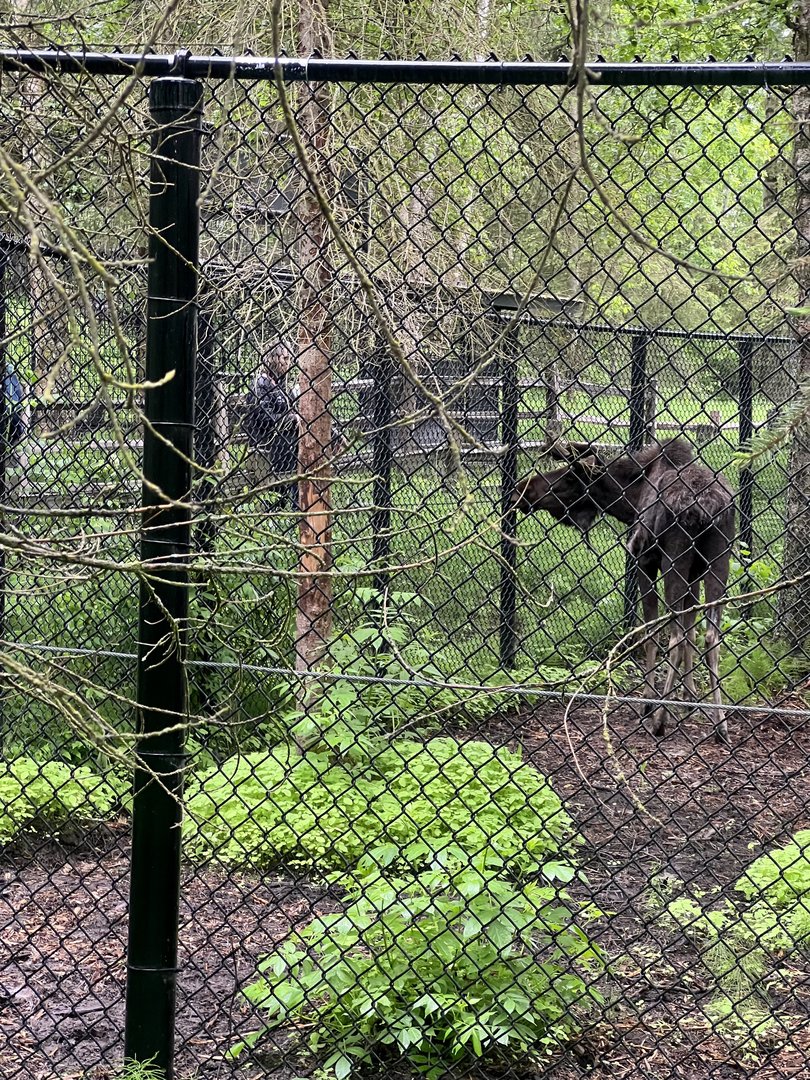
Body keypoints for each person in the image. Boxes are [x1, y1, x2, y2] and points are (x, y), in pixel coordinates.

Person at [243, 346, 298, 511]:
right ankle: (285, 507)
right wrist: (292, 419)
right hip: (267, 447)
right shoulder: (260, 385)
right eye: (284, 359)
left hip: (284, 446)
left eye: (288, 359)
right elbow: (265, 419)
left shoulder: (281, 386)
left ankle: (295, 506)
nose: (288, 363)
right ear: (273, 359)